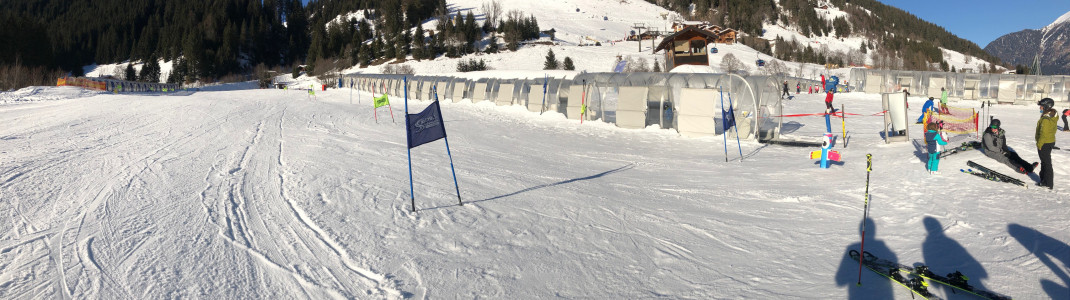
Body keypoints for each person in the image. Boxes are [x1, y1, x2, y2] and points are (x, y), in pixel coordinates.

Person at [1036, 98, 1058, 189]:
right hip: (1049, 141)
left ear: (1046, 107)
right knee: (1045, 162)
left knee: (1046, 163)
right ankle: (1044, 180)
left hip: (1045, 143)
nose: (1040, 108)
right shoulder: (1051, 115)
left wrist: (1040, 144)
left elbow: (1043, 133)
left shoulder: (1046, 119)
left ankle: (1048, 183)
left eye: (1041, 106)